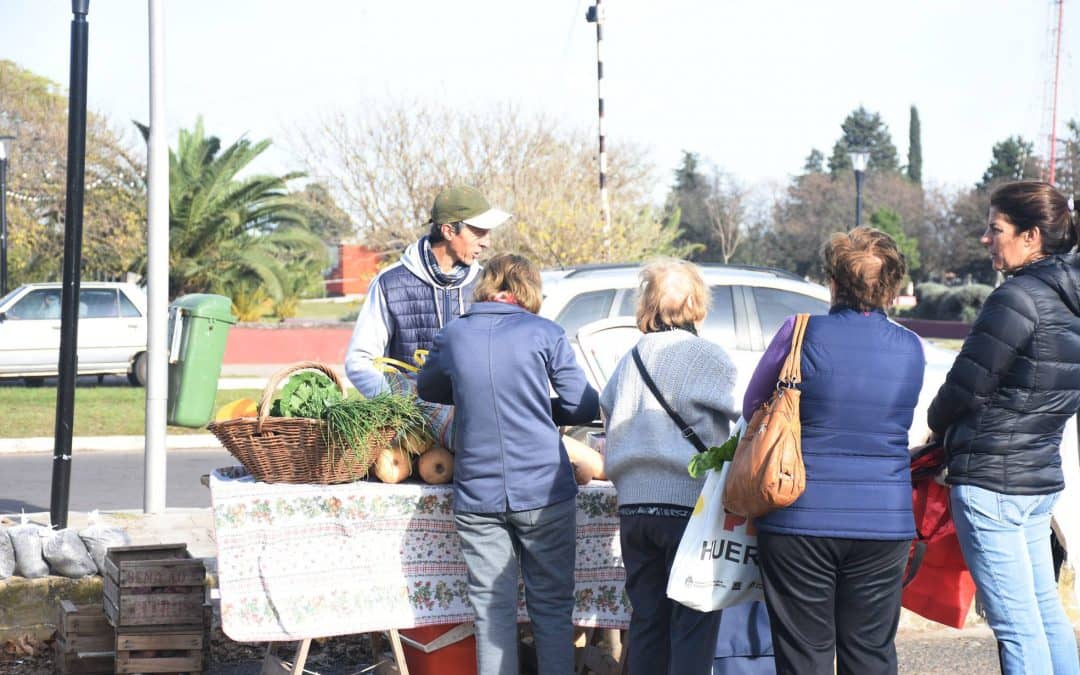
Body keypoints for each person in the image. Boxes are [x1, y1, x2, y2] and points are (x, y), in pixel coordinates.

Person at [743, 227, 924, 675]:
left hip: (798, 515)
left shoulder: (799, 334)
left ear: (834, 282)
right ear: (892, 286)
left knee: (804, 656)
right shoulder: (911, 348)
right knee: (871, 653)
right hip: (885, 521)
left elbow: (753, 408)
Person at [416, 253, 599, 675]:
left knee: (491, 612)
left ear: (486, 285)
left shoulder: (454, 334)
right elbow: (583, 403)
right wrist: (537, 407)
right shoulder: (545, 332)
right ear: (529, 288)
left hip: (478, 494)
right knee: (551, 607)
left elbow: (428, 386)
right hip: (544, 490)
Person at [927, 181, 1080, 675]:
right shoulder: (1069, 301)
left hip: (993, 480)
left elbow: (965, 387)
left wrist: (935, 425)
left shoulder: (1016, 297)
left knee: (1017, 627)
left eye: (995, 229)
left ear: (1031, 236)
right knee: (1043, 614)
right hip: (1036, 480)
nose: (985, 239)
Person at [599, 259, 739, 675]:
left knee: (646, 622)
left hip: (635, 508)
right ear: (697, 302)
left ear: (648, 304)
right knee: (692, 624)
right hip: (689, 508)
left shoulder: (630, 359)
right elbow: (742, 414)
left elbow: (607, 410)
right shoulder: (709, 357)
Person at [345, 185, 509, 397]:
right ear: (448, 230)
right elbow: (359, 362)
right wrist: (400, 406)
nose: (487, 242)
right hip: (411, 427)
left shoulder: (486, 283)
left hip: (474, 425)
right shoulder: (389, 284)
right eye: (478, 231)